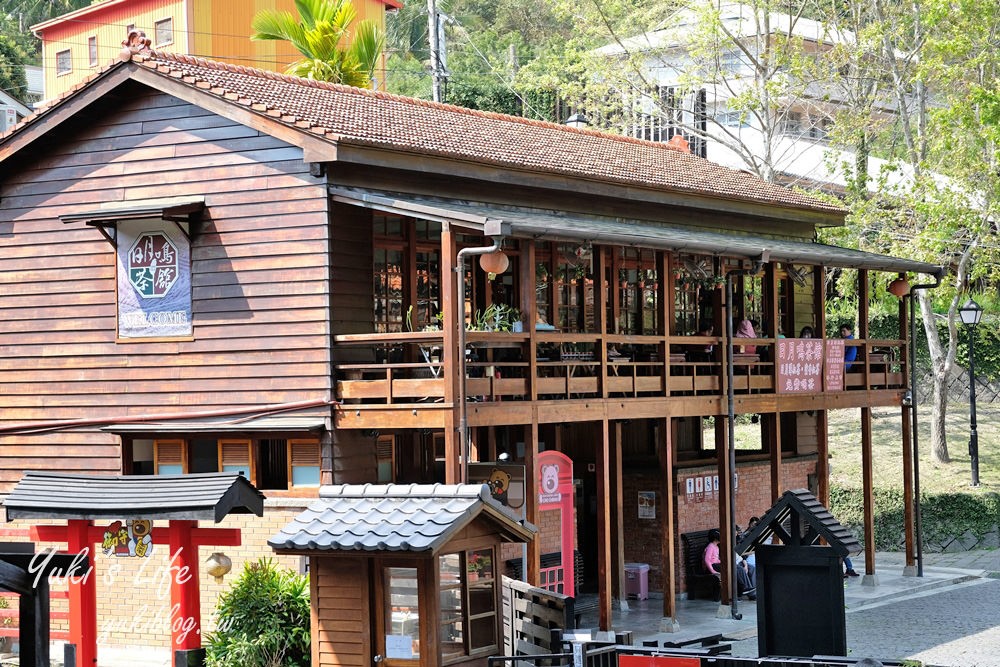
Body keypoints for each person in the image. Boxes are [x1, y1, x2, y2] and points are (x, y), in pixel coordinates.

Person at [703, 528, 756, 600]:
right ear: (715, 538)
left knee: (737, 568)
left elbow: (716, 559)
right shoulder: (710, 546)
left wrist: (722, 562)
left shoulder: (715, 547)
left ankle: (745, 588)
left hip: (717, 564)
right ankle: (745, 588)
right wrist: (713, 571)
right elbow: (707, 560)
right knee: (737, 569)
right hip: (713, 567)